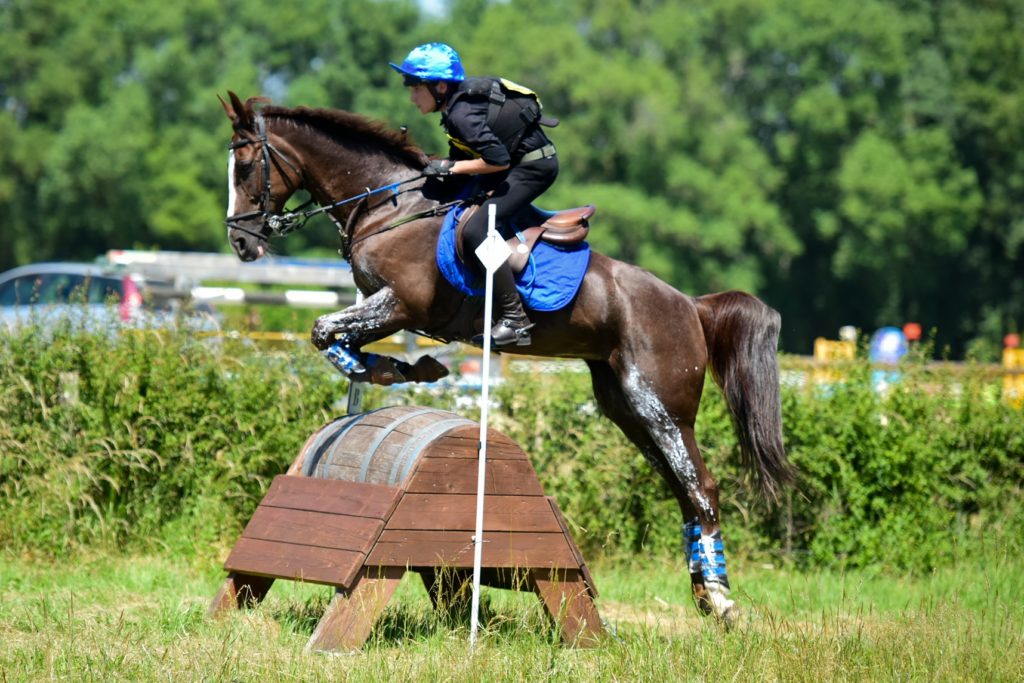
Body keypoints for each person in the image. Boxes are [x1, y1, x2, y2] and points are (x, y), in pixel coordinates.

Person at [389, 42, 559, 347]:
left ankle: (515, 318)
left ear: (440, 86)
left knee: (477, 230)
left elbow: (498, 160)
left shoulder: (461, 115)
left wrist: (451, 168)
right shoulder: (455, 109)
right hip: (514, 165)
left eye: (416, 88)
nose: (412, 97)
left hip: (532, 169)